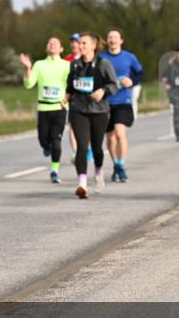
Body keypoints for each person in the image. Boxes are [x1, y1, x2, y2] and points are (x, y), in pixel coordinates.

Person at [65, 32, 119, 199]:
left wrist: (103, 90)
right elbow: (70, 87)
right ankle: (82, 184)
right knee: (82, 147)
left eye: (83, 43)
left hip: (99, 111)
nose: (80, 46)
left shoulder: (104, 64)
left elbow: (114, 85)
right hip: (78, 110)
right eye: (79, 43)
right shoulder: (74, 65)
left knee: (97, 147)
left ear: (93, 46)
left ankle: (98, 172)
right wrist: (66, 97)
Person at [20, 37, 70, 183]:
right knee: (43, 139)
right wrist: (27, 68)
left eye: (55, 43)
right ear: (47, 48)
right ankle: (45, 146)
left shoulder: (67, 65)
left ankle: (54, 170)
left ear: (61, 49)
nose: (52, 44)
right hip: (43, 108)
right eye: (49, 43)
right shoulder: (39, 64)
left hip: (60, 107)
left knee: (56, 139)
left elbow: (71, 85)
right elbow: (29, 84)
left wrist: (67, 98)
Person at [102, 28, 144, 182]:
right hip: (106, 102)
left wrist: (132, 81)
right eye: (110, 37)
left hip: (123, 100)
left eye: (115, 37)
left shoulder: (129, 57)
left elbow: (140, 73)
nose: (112, 40)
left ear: (121, 40)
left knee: (120, 133)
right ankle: (116, 166)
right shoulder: (101, 58)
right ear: (107, 41)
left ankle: (121, 165)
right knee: (111, 137)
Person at [63, 32, 90, 164]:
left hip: (88, 98)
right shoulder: (66, 60)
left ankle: (87, 147)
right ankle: (75, 151)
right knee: (72, 125)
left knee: (88, 125)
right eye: (73, 41)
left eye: (77, 41)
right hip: (72, 98)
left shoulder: (89, 59)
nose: (75, 44)